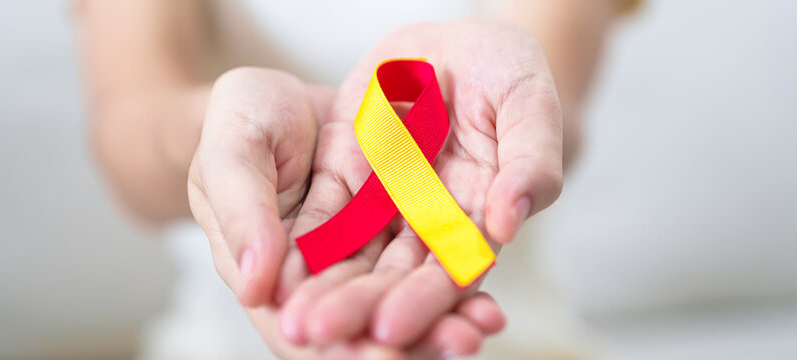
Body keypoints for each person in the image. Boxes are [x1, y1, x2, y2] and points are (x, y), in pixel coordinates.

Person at [75, 0, 638, 358]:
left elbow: (554, 112)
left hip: (512, 339)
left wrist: (517, 118)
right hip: (237, 332)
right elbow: (130, 126)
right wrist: (221, 131)